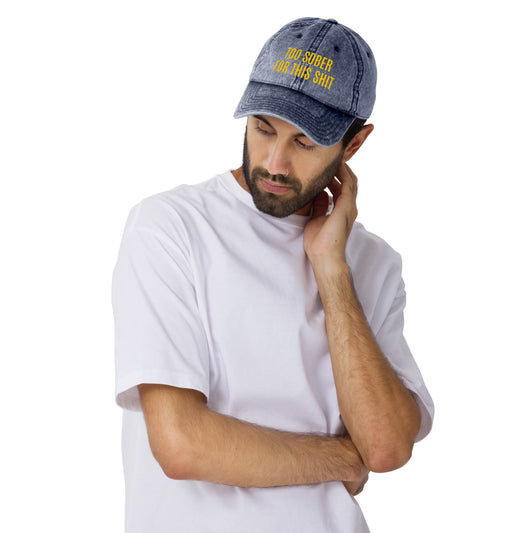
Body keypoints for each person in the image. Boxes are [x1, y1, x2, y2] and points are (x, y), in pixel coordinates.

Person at [112, 17, 434, 533]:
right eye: (263, 128)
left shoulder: (373, 262)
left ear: (353, 144)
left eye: (305, 142)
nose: (275, 163)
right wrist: (340, 457)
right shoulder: (170, 228)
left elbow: (385, 447)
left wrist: (332, 271)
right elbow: (181, 444)